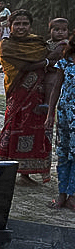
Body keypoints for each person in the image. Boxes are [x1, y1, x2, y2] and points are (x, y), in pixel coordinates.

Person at [0, 9, 61, 183]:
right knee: (14, 127)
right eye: (17, 24)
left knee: (34, 129)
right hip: (18, 94)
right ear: (10, 26)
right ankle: (5, 168)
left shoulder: (37, 42)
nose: (21, 27)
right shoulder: (6, 45)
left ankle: (26, 172)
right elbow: (24, 67)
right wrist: (46, 61)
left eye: (25, 24)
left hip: (38, 95)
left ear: (30, 26)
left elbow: (55, 52)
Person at [52, 41, 75, 210]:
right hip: (64, 116)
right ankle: (61, 194)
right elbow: (56, 88)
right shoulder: (65, 62)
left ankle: (73, 196)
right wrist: (49, 115)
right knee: (62, 153)